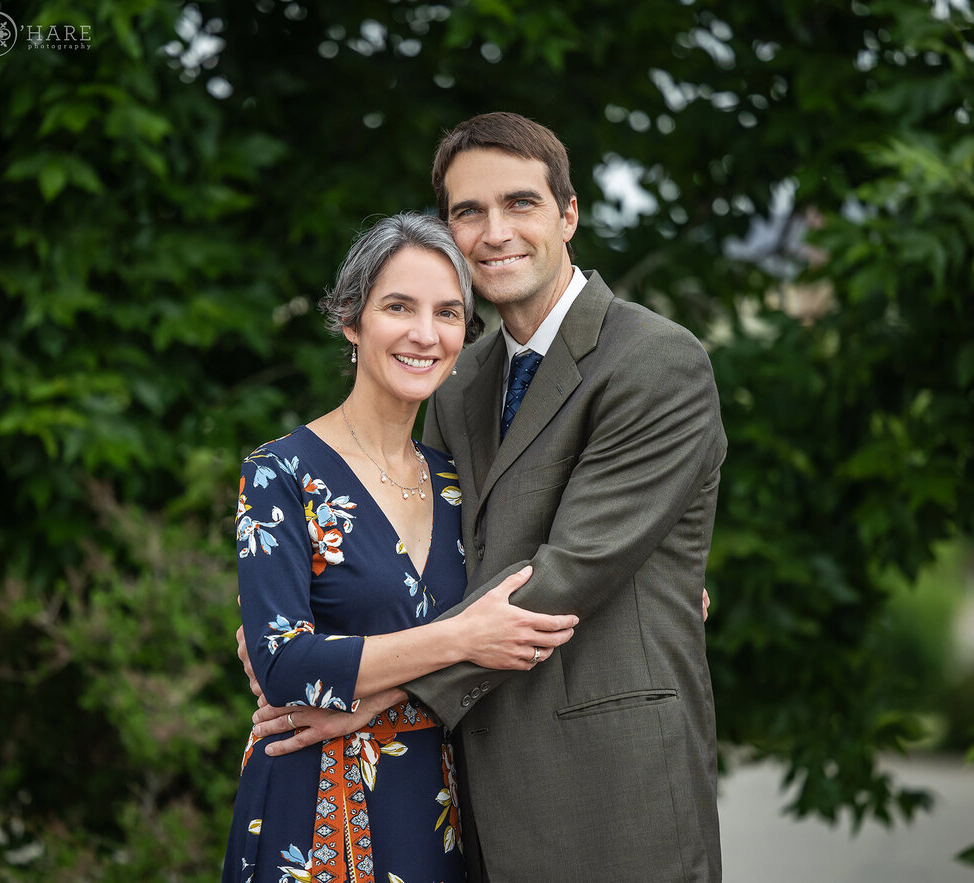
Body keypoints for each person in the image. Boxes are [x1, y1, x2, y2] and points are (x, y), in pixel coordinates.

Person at [247, 112, 726, 881]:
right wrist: (301, 632)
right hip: (469, 790)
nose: (494, 231)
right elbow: (441, 558)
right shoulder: (461, 381)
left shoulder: (656, 360)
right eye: (468, 212)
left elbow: (568, 571)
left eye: (520, 203)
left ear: (567, 213)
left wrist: (379, 683)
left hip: (612, 786)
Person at [222, 212, 579, 883]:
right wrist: (462, 637)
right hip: (311, 804)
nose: (425, 333)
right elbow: (283, 665)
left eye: (447, 312)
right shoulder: (278, 472)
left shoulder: (462, 482)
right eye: (398, 307)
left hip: (440, 804)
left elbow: (546, 584)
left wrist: (667, 584)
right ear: (351, 321)